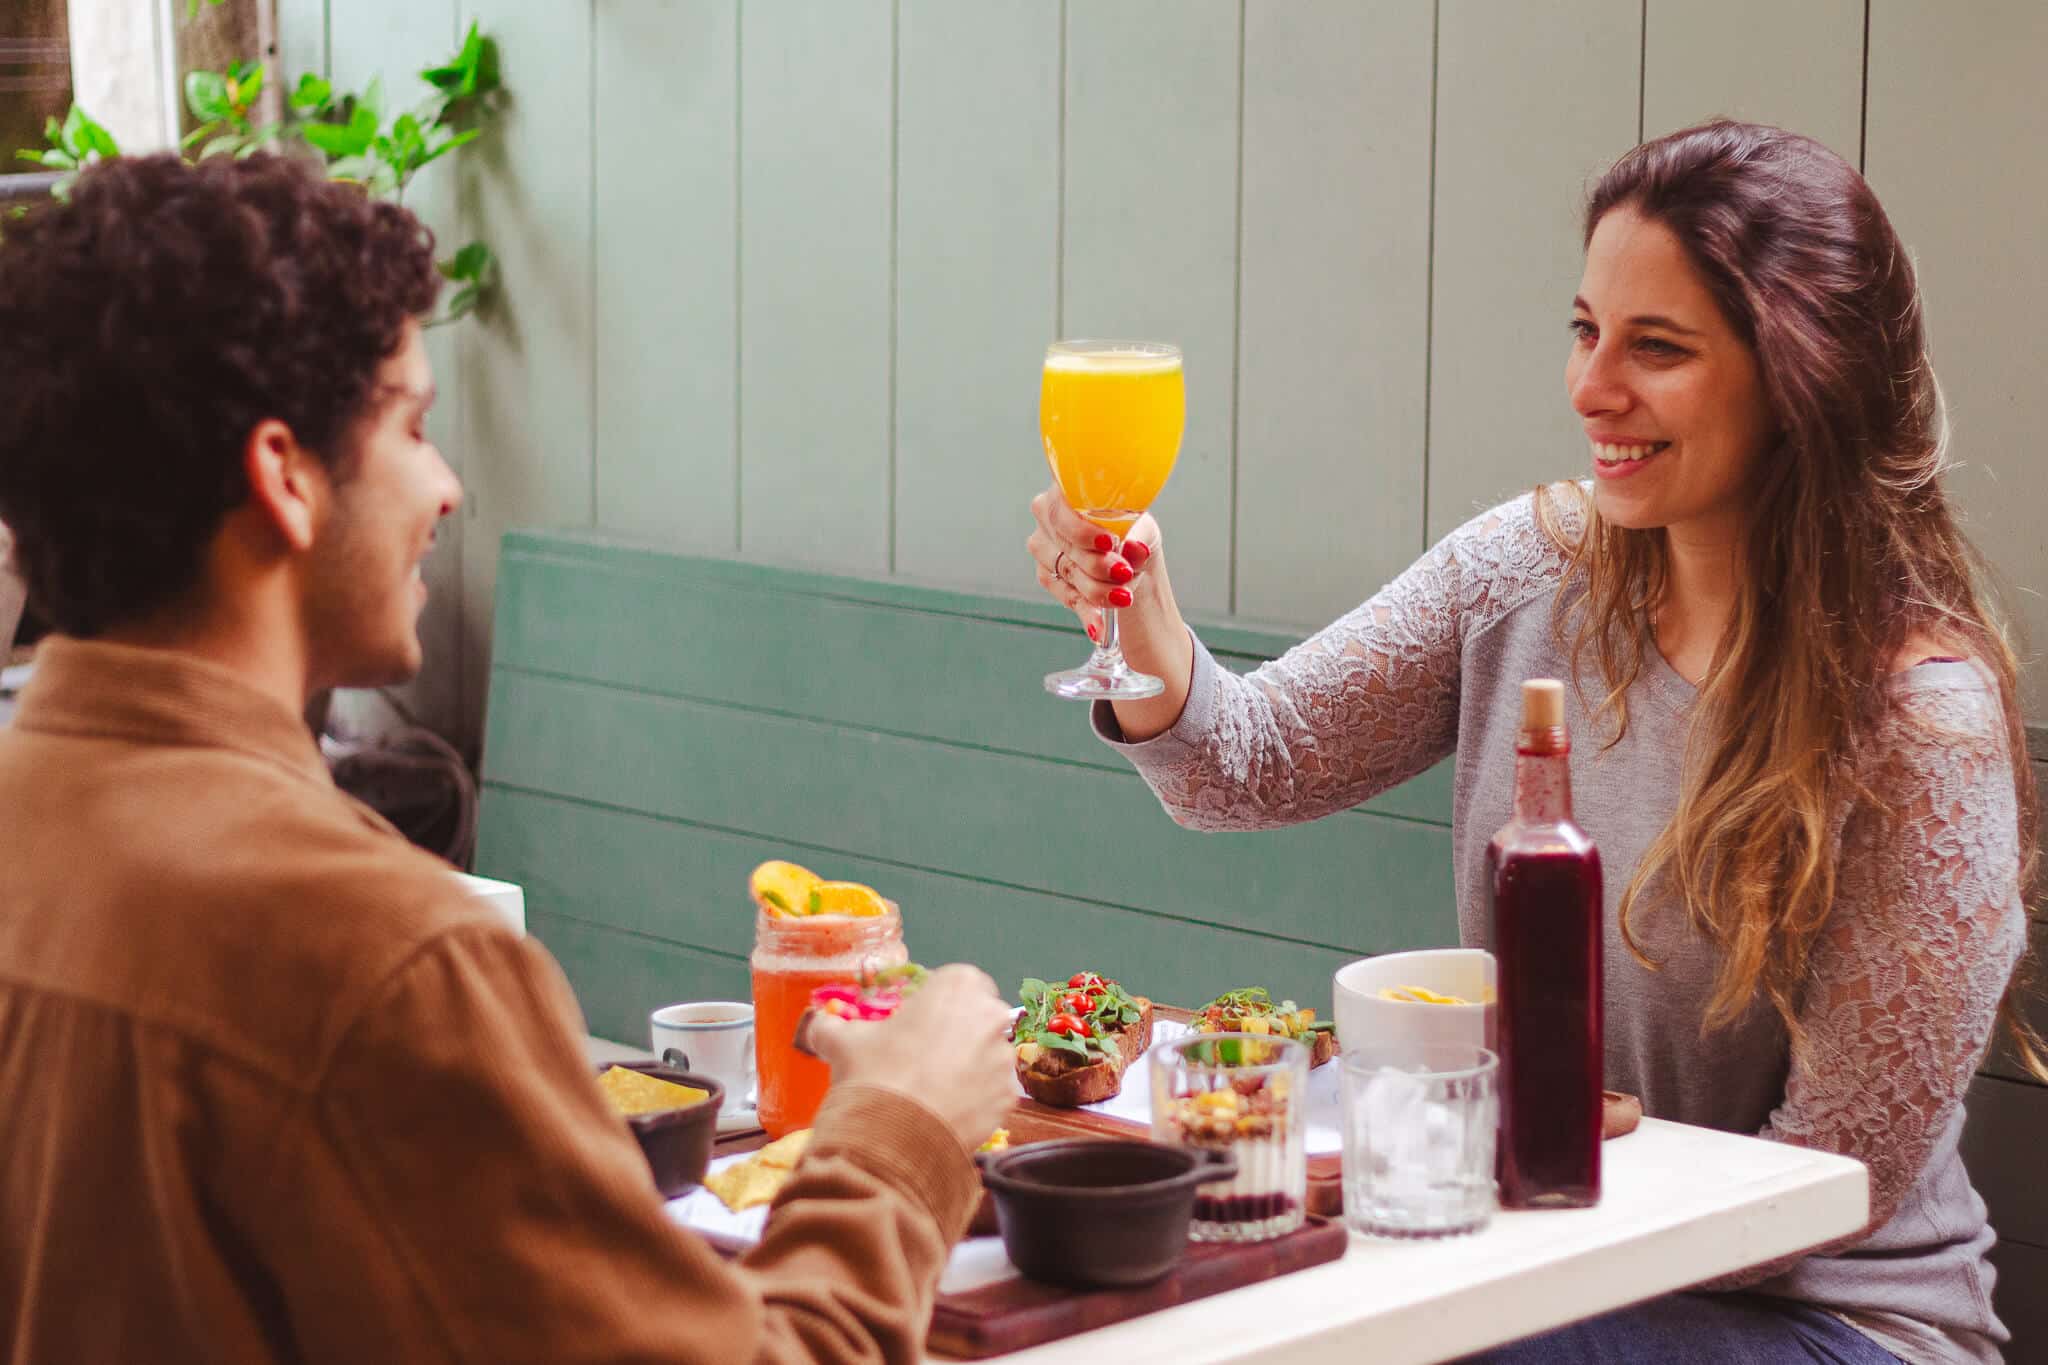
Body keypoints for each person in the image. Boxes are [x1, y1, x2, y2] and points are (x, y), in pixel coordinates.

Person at [1028, 119, 2034, 1364]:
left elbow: (1826, 1185)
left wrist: (1482, 1181)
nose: (1589, 387)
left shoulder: (1917, 727)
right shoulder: (1531, 565)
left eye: (1654, 349)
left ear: (1801, 379)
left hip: (1823, 1318)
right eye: (1583, 330)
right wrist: (1138, 608)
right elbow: (1248, 765)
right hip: (1538, 1258)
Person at [0, 153, 1017, 1364]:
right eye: (415, 425)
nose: (447, 488)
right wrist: (900, 1132)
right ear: (283, 476)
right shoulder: (386, 964)